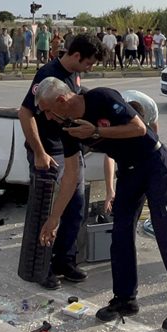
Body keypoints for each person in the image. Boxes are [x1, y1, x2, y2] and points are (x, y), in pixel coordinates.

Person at [35, 79, 167, 332]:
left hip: (154, 163)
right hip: (129, 171)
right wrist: (54, 217)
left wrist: (96, 132)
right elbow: (70, 174)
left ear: (61, 100)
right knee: (120, 235)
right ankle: (125, 299)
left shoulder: (101, 98)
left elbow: (138, 129)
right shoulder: (67, 128)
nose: (46, 116)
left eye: (47, 109)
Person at [19, 34, 103, 289]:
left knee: (75, 208)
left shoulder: (75, 75)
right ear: (77, 56)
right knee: (45, 211)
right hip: (48, 153)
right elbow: (25, 113)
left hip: (70, 149)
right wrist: (40, 153)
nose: (90, 68)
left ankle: (64, 261)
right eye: (88, 63)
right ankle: (42, 267)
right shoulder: (48, 74)